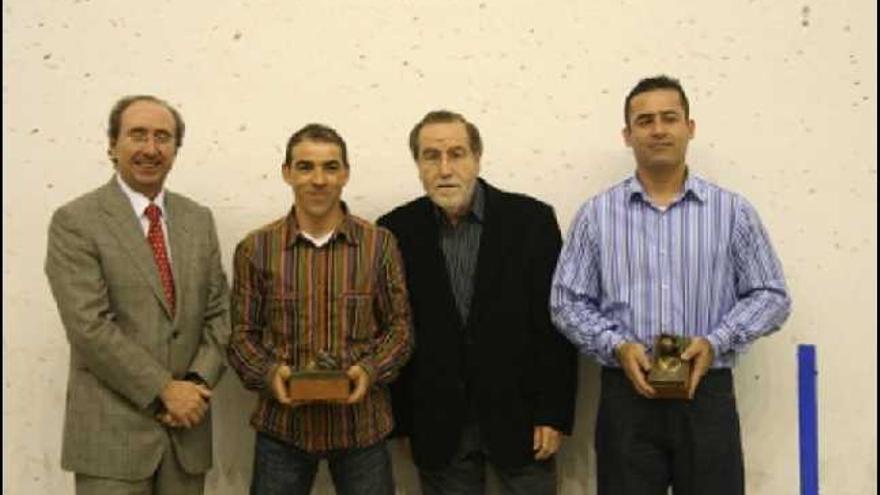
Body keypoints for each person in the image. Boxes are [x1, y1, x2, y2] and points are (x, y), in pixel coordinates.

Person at [550, 75, 792, 494]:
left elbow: (771, 294)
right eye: (644, 121)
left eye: (669, 118)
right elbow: (566, 302)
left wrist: (718, 339)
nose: (658, 129)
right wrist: (616, 345)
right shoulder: (597, 215)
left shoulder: (732, 212)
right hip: (627, 394)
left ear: (690, 127)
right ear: (628, 135)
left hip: (707, 392)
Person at [378, 110, 578, 495]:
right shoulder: (395, 230)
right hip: (438, 425)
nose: (445, 168)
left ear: (477, 158)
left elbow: (554, 325)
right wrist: (403, 422)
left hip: (522, 419)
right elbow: (393, 326)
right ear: (418, 164)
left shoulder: (531, 221)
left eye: (457, 153)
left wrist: (553, 413)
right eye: (431, 156)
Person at [44, 95, 230, 494]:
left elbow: (220, 315)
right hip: (112, 440)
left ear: (176, 150)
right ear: (112, 145)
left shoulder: (198, 220)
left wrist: (194, 385)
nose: (150, 148)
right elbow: (88, 327)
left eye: (163, 137)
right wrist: (165, 390)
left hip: (186, 433)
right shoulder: (76, 221)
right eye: (137, 135)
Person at [227, 123, 413, 495]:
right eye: (305, 167)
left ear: (345, 173)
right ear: (287, 172)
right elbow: (240, 336)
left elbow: (400, 330)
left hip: (361, 428)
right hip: (283, 430)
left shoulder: (379, 245)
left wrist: (369, 370)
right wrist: (269, 373)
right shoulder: (256, 248)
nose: (318, 179)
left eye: (330, 167)